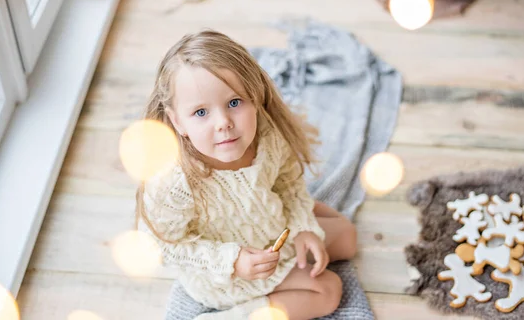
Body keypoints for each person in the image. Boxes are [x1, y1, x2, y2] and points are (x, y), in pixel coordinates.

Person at [136, 30, 358, 320]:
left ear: (254, 95)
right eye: (201, 113)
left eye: (234, 103)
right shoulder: (173, 181)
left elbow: (287, 182)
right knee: (328, 289)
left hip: (273, 228)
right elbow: (162, 246)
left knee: (348, 238)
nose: (224, 123)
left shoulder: (266, 135)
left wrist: (303, 227)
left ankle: (301, 228)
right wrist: (231, 261)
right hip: (228, 269)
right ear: (177, 121)